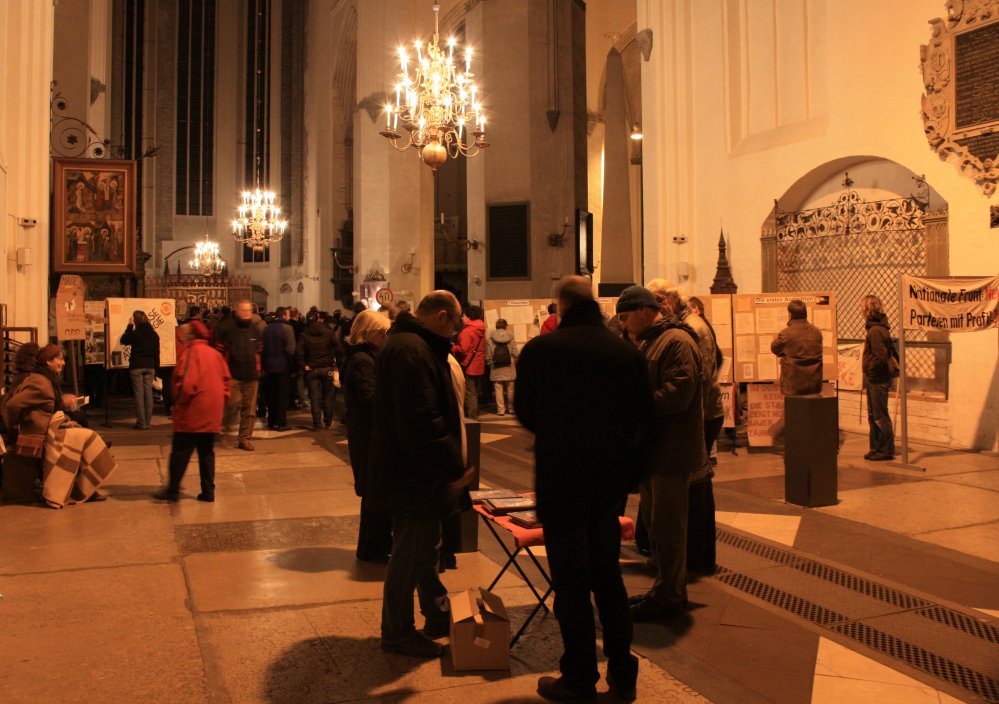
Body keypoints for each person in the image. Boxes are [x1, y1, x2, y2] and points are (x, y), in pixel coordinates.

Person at [515, 277, 653, 703]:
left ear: (560, 305)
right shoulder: (627, 353)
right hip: (608, 482)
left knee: (572, 583)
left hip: (562, 480)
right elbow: (643, 419)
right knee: (608, 577)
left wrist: (560, 434)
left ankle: (578, 676)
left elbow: (525, 411)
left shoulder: (542, 351)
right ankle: (623, 675)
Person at [369, 291, 474, 659]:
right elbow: (423, 419)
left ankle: (430, 614)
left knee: (419, 551)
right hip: (415, 475)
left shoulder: (407, 344)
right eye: (455, 324)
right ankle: (397, 632)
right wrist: (451, 467)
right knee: (410, 555)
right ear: (442, 316)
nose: (456, 332)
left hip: (410, 471)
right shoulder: (413, 350)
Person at [616, 285, 705, 622]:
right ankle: (662, 587)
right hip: (656, 450)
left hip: (672, 451)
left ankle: (670, 596)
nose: (623, 325)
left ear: (643, 309)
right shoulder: (653, 339)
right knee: (655, 523)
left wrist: (634, 404)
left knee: (669, 526)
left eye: (625, 318)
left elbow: (677, 395)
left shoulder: (677, 341)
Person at [648, 280, 723, 575]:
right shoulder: (681, 326)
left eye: (660, 300)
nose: (658, 307)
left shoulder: (693, 328)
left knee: (696, 485)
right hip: (698, 413)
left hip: (703, 414)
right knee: (694, 484)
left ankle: (697, 557)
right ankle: (694, 555)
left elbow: (700, 378)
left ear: (672, 299)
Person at [1, 344, 117, 508]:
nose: (63, 363)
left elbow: (48, 402)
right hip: (41, 433)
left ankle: (84, 489)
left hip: (49, 430)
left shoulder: (45, 379)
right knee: (87, 437)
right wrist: (15, 429)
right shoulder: (40, 381)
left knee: (85, 436)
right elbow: (12, 405)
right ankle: (75, 490)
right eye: (60, 359)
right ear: (48, 362)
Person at [154, 322, 231, 502]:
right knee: (206, 452)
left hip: (193, 411)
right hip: (212, 411)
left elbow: (186, 385)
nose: (181, 336)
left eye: (184, 334)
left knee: (180, 452)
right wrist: (220, 403)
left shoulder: (189, 354)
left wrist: (177, 405)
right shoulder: (215, 354)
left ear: (190, 336)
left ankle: (172, 491)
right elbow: (227, 382)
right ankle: (208, 491)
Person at [342, 309, 393, 563]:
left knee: (377, 493)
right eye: (383, 333)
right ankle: (373, 549)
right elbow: (371, 400)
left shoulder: (366, 357)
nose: (386, 337)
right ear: (369, 333)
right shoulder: (363, 360)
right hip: (368, 438)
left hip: (368, 435)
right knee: (375, 494)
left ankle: (375, 546)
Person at [215, 300, 263, 451]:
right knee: (231, 406)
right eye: (243, 310)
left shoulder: (255, 330)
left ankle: (244, 438)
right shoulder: (227, 329)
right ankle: (225, 432)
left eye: (249, 310)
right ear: (237, 311)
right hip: (233, 375)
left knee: (249, 410)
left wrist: (259, 369)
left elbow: (259, 351)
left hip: (251, 375)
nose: (246, 313)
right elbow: (219, 351)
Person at [862, 295, 895, 461]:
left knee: (880, 415)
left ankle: (885, 450)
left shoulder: (875, 331)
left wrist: (871, 372)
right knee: (873, 414)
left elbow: (880, 357)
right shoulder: (878, 328)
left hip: (878, 379)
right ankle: (876, 447)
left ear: (868, 310)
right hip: (877, 378)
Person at [297, 311, 341, 431]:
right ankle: (328, 421)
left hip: (312, 369)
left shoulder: (304, 335)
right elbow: (339, 348)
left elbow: (299, 352)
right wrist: (337, 363)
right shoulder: (328, 333)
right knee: (328, 395)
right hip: (327, 367)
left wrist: (303, 365)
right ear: (318, 319)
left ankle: (317, 424)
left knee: (314, 397)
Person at [770, 299, 823, 396]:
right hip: (814, 385)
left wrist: (784, 353)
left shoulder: (785, 334)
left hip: (793, 386)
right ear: (805, 314)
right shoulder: (817, 332)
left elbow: (774, 348)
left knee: (794, 410)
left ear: (790, 314)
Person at [120, 310, 160, 429]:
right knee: (148, 394)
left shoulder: (135, 333)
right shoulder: (154, 335)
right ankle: (147, 422)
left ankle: (141, 423)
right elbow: (156, 353)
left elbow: (124, 340)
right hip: (150, 366)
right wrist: (156, 370)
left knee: (139, 394)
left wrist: (129, 326)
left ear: (135, 321)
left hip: (137, 366)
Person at [263, 307, 295, 431]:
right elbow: (290, 350)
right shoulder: (287, 328)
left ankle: (271, 421)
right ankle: (282, 422)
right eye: (288, 315)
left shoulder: (267, 328)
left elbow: (263, 348)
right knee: (282, 396)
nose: (289, 317)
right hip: (283, 367)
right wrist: (292, 366)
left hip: (269, 367)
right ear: (283, 315)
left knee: (271, 395)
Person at [451, 305, 486, 419]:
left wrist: (453, 347)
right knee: (474, 391)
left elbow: (463, 349)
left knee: (469, 392)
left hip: (468, 365)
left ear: (469, 317)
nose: (462, 318)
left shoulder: (468, 331)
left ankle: (472, 416)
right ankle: (474, 412)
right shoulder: (480, 329)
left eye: (464, 316)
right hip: (478, 364)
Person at [485, 318, 518, 415]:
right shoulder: (511, 337)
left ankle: (501, 410)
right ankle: (511, 409)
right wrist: (513, 360)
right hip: (509, 367)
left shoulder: (490, 339)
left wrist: (491, 363)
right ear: (506, 326)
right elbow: (515, 353)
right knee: (511, 389)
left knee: (498, 389)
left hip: (496, 367)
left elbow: (488, 357)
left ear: (496, 326)